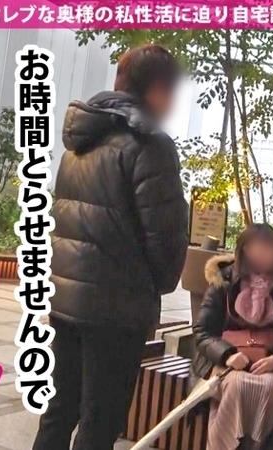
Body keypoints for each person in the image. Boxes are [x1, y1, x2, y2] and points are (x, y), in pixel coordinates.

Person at [33, 44, 188, 450]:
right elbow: (165, 237)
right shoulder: (149, 144)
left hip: (67, 299)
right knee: (100, 421)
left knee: (60, 410)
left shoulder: (81, 140)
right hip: (117, 308)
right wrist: (158, 283)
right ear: (158, 89)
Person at [192, 223, 273, 450]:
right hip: (224, 363)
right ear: (243, 249)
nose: (263, 253)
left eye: (269, 247)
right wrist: (227, 355)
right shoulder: (224, 279)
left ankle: (249, 445)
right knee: (236, 385)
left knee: (270, 387)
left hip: (269, 365)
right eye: (256, 246)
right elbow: (202, 331)